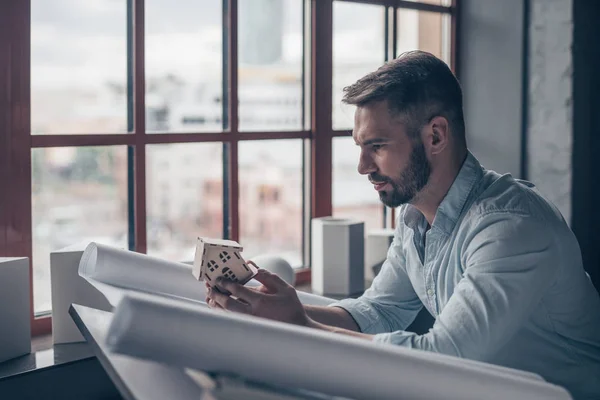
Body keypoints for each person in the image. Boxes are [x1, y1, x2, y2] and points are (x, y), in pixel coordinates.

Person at [206, 50, 600, 399]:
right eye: (360, 147)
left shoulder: (512, 228)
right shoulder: (415, 218)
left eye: (376, 146)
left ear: (435, 135)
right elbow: (377, 311)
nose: (363, 167)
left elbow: (442, 359)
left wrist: (302, 325)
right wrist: (272, 307)